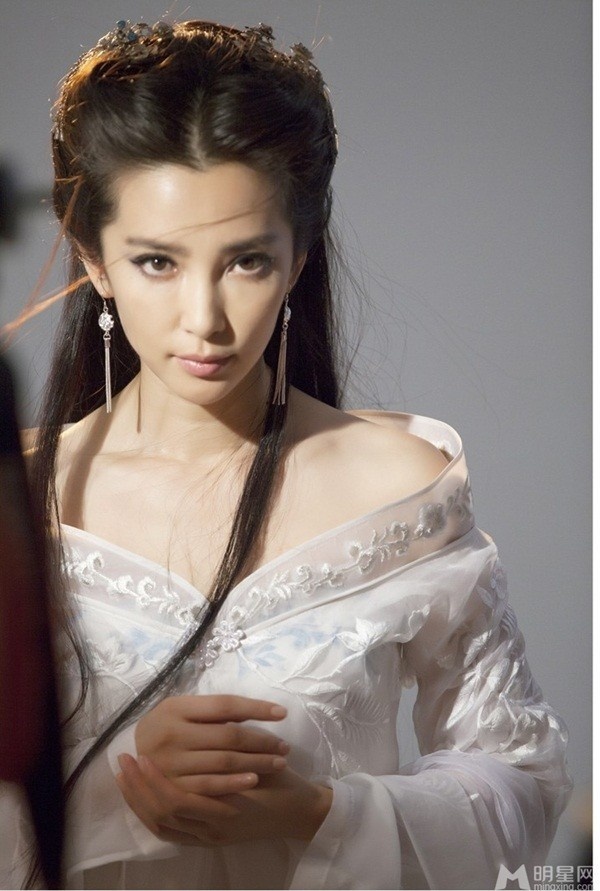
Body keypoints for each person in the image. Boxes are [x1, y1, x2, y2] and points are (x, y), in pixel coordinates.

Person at [0, 18, 572, 890]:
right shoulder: (23, 500)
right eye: (157, 262)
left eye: (246, 262)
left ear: (300, 255)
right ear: (95, 260)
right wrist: (122, 784)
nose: (205, 319)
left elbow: (522, 784)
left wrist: (320, 811)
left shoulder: (400, 489)